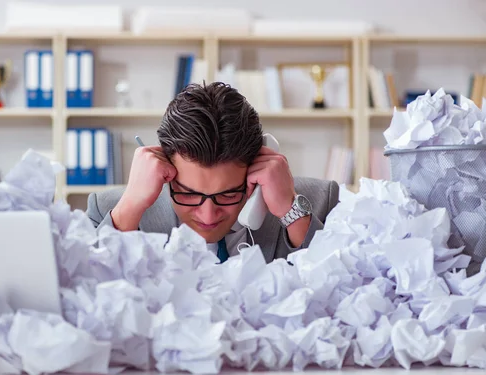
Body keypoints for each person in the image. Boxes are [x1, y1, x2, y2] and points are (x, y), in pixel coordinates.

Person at [86, 82, 339, 263]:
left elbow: (339, 292)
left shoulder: (320, 202)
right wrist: (130, 207)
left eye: (228, 194)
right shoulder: (109, 210)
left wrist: (291, 212)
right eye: (188, 193)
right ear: (165, 169)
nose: (207, 215)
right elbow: (85, 292)